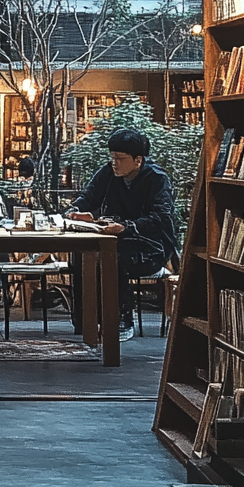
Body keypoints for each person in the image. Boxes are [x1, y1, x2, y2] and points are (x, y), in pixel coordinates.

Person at [66, 127, 177, 342]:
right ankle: (85, 319)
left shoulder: (157, 179)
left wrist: (126, 227)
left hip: (151, 247)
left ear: (138, 160)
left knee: (113, 257)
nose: (114, 163)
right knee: (83, 253)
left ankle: (121, 318)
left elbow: (160, 217)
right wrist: (73, 213)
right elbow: (88, 198)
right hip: (114, 239)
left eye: (120, 158)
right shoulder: (109, 173)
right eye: (112, 157)